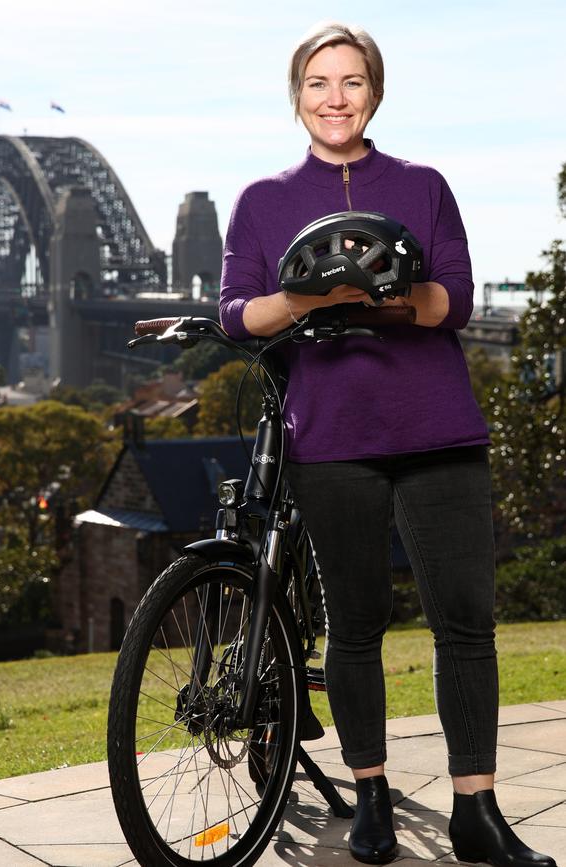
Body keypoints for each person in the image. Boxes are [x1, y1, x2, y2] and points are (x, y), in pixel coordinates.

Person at [219, 21, 556, 867]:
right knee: (357, 626)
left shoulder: (424, 184)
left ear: (375, 92)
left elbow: (456, 301)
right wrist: (307, 298)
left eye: (352, 82)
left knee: (466, 622)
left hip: (438, 430)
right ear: (296, 96)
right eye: (318, 84)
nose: (336, 99)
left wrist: (375, 296)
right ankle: (369, 796)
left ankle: (476, 809)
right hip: (330, 438)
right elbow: (236, 314)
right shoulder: (261, 200)